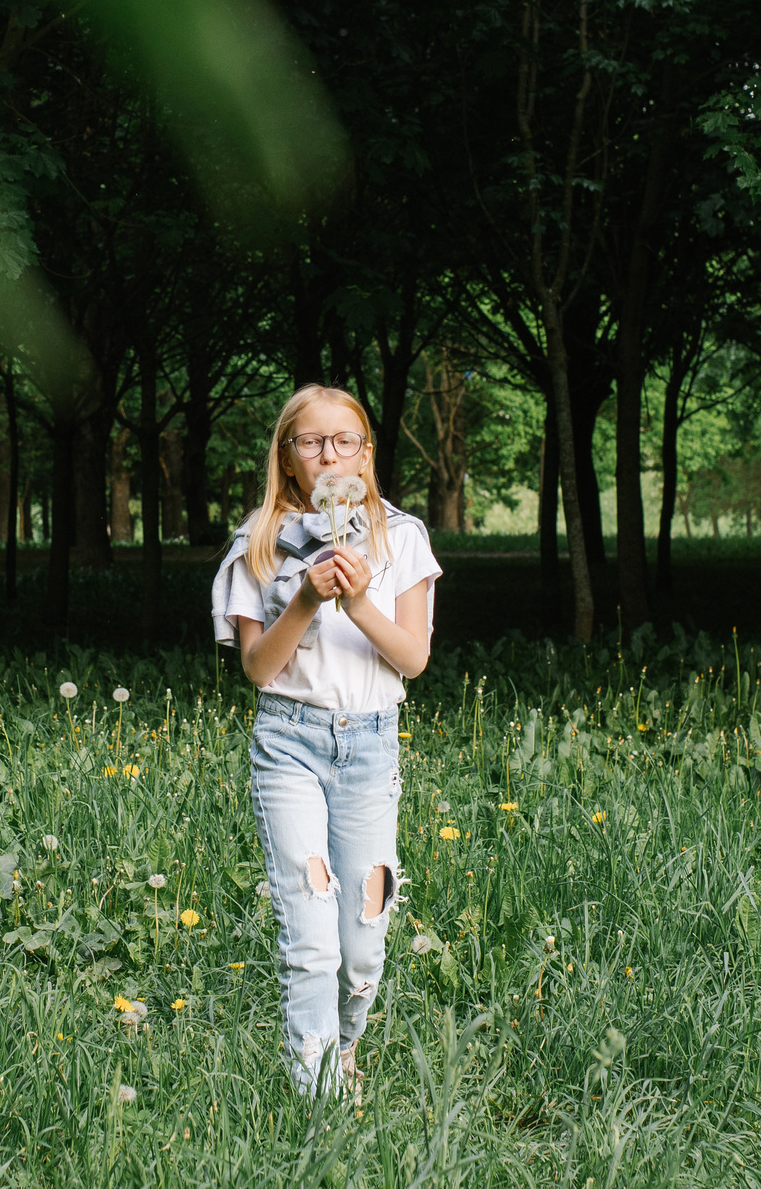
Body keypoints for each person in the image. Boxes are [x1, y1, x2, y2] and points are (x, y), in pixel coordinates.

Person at [211, 384, 441, 1097]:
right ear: (288, 457)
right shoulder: (260, 539)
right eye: (311, 442)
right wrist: (307, 598)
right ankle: (317, 1097)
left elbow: (412, 659)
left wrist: (358, 601)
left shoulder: (400, 536)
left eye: (344, 442)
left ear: (366, 457)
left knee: (362, 939)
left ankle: (343, 1048)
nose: (328, 454)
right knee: (310, 933)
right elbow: (257, 668)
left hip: (371, 747)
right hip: (290, 744)